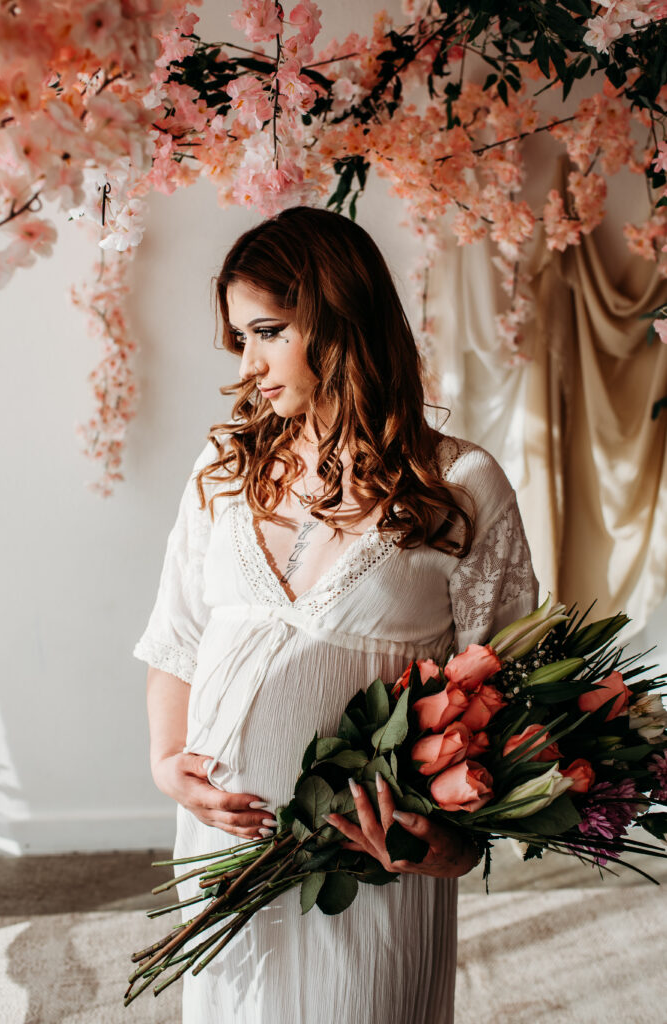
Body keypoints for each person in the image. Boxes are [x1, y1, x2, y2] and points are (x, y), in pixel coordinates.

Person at [134, 205, 538, 1024]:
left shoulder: (461, 485)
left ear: (337, 316)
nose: (248, 365)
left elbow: (505, 680)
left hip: (366, 863)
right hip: (226, 848)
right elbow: (177, 633)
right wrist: (165, 760)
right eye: (238, 340)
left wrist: (457, 845)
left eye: (267, 331)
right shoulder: (224, 464)